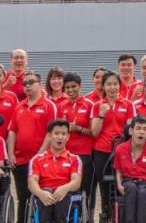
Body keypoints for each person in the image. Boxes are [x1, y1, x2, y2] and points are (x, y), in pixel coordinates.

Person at [8, 72, 59, 222]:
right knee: (23, 198)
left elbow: (51, 133)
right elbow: (12, 131)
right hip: (21, 160)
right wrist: (11, 154)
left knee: (41, 197)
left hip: (41, 161)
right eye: (25, 84)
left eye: (31, 82)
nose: (28, 86)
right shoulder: (19, 106)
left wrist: (39, 155)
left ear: (40, 84)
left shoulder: (49, 106)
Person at [91, 71, 135, 221]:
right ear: (103, 86)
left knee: (121, 185)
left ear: (119, 85)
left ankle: (121, 216)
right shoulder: (97, 106)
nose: (112, 87)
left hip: (122, 151)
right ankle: (106, 215)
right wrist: (102, 115)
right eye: (108, 84)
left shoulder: (128, 104)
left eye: (115, 84)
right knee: (104, 187)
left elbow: (131, 130)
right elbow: (94, 132)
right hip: (102, 151)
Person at [56, 72, 99, 210]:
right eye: (67, 87)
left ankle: (87, 216)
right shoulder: (61, 106)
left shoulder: (89, 104)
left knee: (85, 189)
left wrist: (78, 128)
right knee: (67, 187)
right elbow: (56, 130)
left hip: (85, 154)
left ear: (80, 86)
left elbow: (94, 132)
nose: (70, 90)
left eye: (73, 86)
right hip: (66, 154)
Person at [29, 120, 84, 223]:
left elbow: (76, 182)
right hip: (45, 195)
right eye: (56, 133)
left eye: (63, 134)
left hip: (66, 195)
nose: (60, 137)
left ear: (68, 137)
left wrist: (65, 188)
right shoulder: (37, 159)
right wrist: (40, 193)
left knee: (62, 197)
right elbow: (32, 182)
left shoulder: (75, 159)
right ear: (49, 136)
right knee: (45, 194)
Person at [114, 117, 146, 223]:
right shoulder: (120, 149)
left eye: (145, 129)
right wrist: (119, 185)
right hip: (128, 181)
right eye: (138, 128)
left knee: (142, 193)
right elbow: (118, 170)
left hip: (145, 182)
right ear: (131, 131)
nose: (141, 132)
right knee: (131, 188)